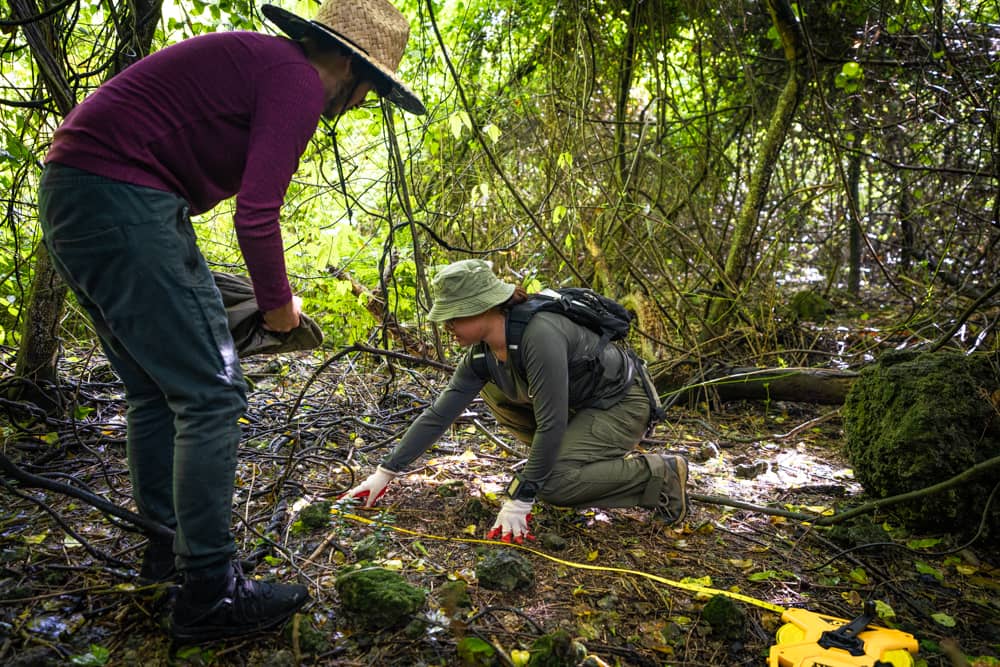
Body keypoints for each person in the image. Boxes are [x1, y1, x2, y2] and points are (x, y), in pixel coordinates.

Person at [37, 0, 424, 642]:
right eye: (372, 91)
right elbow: (257, 213)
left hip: (78, 197)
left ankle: (168, 558)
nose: (362, 105)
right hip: (124, 198)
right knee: (212, 395)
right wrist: (278, 311)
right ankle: (210, 592)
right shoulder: (297, 78)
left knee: (156, 393)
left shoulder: (264, 63)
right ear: (353, 68)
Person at [344, 260, 689, 543]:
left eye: (456, 315)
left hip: (622, 402)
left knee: (553, 484)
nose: (447, 325)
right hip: (580, 406)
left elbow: (551, 422)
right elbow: (439, 415)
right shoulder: (481, 357)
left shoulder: (540, 334)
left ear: (487, 307)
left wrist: (522, 497)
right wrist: (385, 472)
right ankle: (561, 465)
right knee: (494, 392)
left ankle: (660, 474)